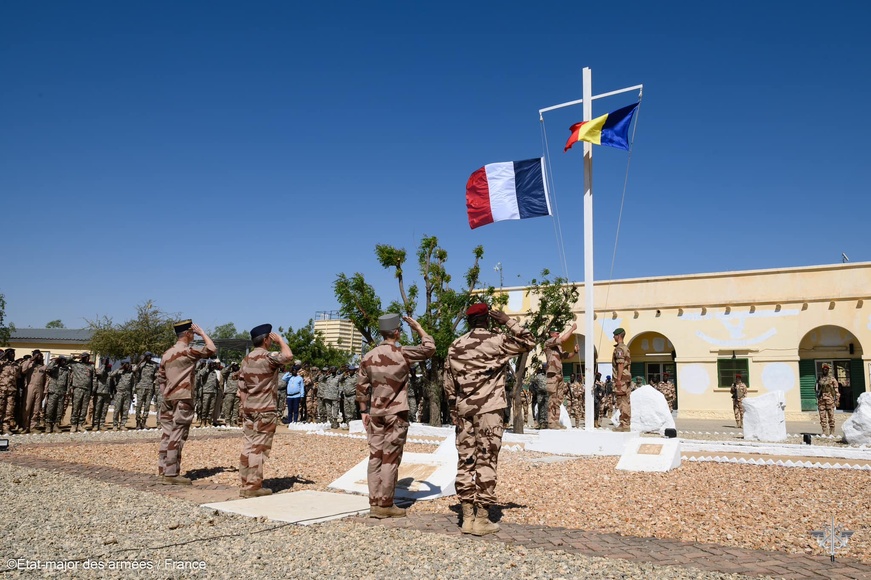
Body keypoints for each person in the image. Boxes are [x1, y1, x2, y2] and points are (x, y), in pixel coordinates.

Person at [445, 304, 535, 536]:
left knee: (466, 461)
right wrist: (508, 321)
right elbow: (529, 342)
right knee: (486, 460)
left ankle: (466, 517)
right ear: (488, 319)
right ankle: (482, 517)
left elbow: (449, 384)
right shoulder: (498, 340)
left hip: (464, 410)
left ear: (469, 321)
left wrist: (454, 409)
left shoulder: (456, 345)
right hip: (490, 410)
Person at [357, 314, 435, 519]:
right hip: (396, 413)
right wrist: (418, 328)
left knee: (375, 457)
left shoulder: (368, 356)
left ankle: (374, 501)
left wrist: (364, 411)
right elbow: (429, 348)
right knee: (390, 459)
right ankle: (385, 504)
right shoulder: (403, 353)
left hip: (374, 413)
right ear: (397, 332)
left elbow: (361, 388)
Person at [157, 320, 216, 485]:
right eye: (192, 333)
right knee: (178, 434)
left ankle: (163, 470)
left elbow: (160, 378)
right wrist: (203, 333)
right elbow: (211, 349)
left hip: (168, 397)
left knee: (167, 434)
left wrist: (166, 393)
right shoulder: (187, 352)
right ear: (188, 334)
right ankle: (171, 474)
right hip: (183, 397)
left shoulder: (167, 353)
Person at [237, 324, 293, 497]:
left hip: (249, 408)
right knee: (259, 448)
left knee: (248, 445)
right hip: (265, 409)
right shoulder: (268, 357)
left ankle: (246, 482)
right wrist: (281, 341)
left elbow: (242, 389)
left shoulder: (246, 360)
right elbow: (288, 356)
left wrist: (244, 408)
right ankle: (253, 487)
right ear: (267, 339)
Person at [543, 322, 578, 429]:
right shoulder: (549, 342)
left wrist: (574, 352)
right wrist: (572, 329)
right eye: (557, 333)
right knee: (552, 398)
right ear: (552, 334)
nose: (558, 335)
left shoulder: (558, 347)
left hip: (559, 374)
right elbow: (563, 339)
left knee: (558, 399)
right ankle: (551, 421)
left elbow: (566, 356)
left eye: (559, 333)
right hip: (552, 374)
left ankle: (556, 421)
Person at [21, 350, 48, 433]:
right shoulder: (29, 365)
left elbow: (46, 380)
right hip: (30, 387)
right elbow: (23, 370)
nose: (38, 357)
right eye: (37, 355)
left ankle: (33, 426)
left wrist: (45, 390)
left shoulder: (43, 367)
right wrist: (31, 359)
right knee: (27, 407)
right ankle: (25, 426)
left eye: (40, 355)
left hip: (39, 388)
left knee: (36, 408)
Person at [44, 356, 71, 433]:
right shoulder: (54, 368)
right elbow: (48, 369)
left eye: (64, 361)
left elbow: (68, 381)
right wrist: (54, 361)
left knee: (59, 410)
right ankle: (48, 425)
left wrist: (67, 391)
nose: (64, 362)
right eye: (62, 360)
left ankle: (56, 425)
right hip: (53, 391)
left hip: (62, 392)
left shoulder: (66, 370)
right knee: (50, 408)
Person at [611, 328, 632, 431]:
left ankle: (624, 424)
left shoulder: (619, 349)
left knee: (622, 402)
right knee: (626, 402)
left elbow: (620, 364)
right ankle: (626, 423)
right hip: (626, 378)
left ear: (618, 336)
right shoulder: (626, 348)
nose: (613, 337)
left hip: (622, 379)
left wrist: (618, 380)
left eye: (614, 335)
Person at [134, 353, 158, 430]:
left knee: (147, 406)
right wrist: (142, 360)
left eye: (150, 356)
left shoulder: (153, 366)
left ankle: (143, 422)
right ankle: (138, 422)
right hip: (141, 387)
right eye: (147, 356)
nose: (149, 357)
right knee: (139, 406)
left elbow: (155, 376)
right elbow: (134, 369)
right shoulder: (141, 365)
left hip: (150, 387)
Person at [0, 348, 22, 434]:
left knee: (9, 410)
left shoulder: (16, 365)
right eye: (11, 353)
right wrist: (3, 356)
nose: (13, 355)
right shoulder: (2, 364)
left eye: (13, 353)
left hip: (12, 390)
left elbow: (18, 377)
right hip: (2, 389)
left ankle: (6, 428)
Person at [110, 362, 136, 430]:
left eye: (128, 365)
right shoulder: (119, 372)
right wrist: (120, 368)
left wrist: (132, 394)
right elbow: (111, 375)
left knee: (125, 410)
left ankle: (122, 424)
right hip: (119, 393)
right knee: (117, 409)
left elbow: (133, 385)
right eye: (125, 365)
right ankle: (115, 425)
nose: (127, 366)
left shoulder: (131, 374)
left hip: (127, 393)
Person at [816, 364, 840, 436]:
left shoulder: (832, 379)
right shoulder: (820, 378)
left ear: (828, 370)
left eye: (826, 369)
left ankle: (832, 431)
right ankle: (824, 431)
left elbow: (836, 391)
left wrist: (837, 400)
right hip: (821, 400)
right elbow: (816, 389)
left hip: (830, 400)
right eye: (824, 369)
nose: (825, 370)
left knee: (831, 416)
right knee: (822, 416)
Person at [92, 358, 113, 431]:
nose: (106, 363)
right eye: (105, 361)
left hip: (107, 393)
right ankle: (95, 424)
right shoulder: (99, 369)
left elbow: (112, 382)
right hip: (99, 392)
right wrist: (103, 365)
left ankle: (101, 424)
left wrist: (111, 393)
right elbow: (100, 374)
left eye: (107, 361)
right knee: (97, 410)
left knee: (104, 410)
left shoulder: (109, 371)